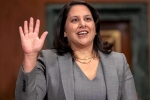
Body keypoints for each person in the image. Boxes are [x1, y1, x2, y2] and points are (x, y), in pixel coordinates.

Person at [15, 0, 137, 100]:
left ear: (95, 28)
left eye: (88, 19)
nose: (82, 24)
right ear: (64, 31)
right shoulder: (48, 60)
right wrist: (30, 56)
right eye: (74, 20)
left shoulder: (118, 61)